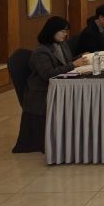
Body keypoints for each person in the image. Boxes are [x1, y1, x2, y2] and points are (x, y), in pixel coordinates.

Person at [13, 16, 88, 153]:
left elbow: (66, 62)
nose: (65, 34)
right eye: (63, 31)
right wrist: (73, 64)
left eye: (66, 31)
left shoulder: (61, 45)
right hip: (42, 92)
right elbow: (48, 74)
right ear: (52, 31)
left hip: (59, 86)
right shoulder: (41, 52)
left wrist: (81, 57)